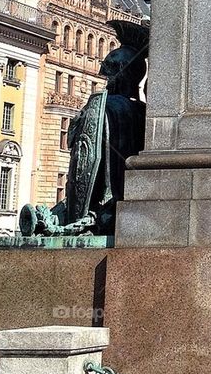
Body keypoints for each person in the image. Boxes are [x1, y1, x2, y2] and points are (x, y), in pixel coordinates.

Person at [19, 21, 148, 238]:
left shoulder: (107, 107)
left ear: (121, 74)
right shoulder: (141, 111)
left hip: (101, 208)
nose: (105, 80)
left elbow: (86, 164)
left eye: (109, 73)